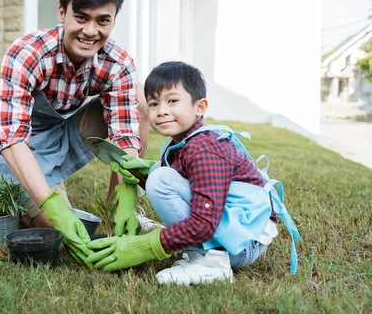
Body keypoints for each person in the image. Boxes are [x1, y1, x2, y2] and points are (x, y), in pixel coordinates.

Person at [0, 0, 150, 267]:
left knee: (139, 99)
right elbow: (11, 139)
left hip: (64, 128)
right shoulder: (27, 53)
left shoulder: (118, 63)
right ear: (62, 13)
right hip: (19, 145)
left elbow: (125, 133)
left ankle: (117, 215)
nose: (90, 31)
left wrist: (128, 197)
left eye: (103, 21)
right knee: (55, 227)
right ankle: (43, 202)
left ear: (114, 21)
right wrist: (52, 204)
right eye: (81, 17)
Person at [86, 61, 279, 285]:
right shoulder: (182, 142)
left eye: (173, 101)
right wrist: (141, 174)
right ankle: (191, 245)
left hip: (244, 244)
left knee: (161, 179)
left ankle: (210, 262)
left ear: (200, 107)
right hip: (233, 229)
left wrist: (149, 246)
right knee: (160, 172)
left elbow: (204, 223)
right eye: (154, 104)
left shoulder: (204, 149)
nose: (162, 111)